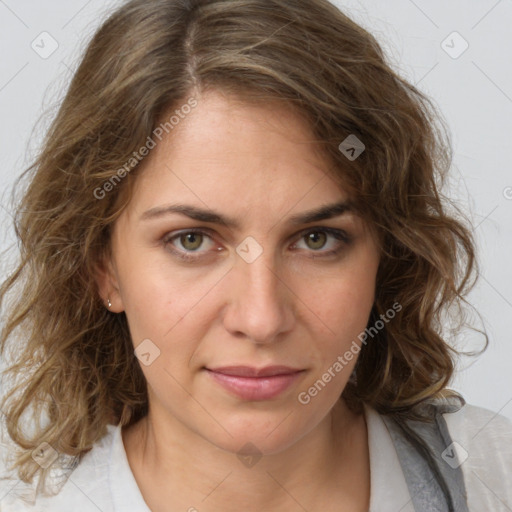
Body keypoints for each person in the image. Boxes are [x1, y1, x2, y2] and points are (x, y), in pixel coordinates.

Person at [0, 0, 511, 511]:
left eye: (317, 239)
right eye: (192, 240)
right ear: (103, 268)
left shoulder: (495, 473)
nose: (262, 319)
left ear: (387, 254)